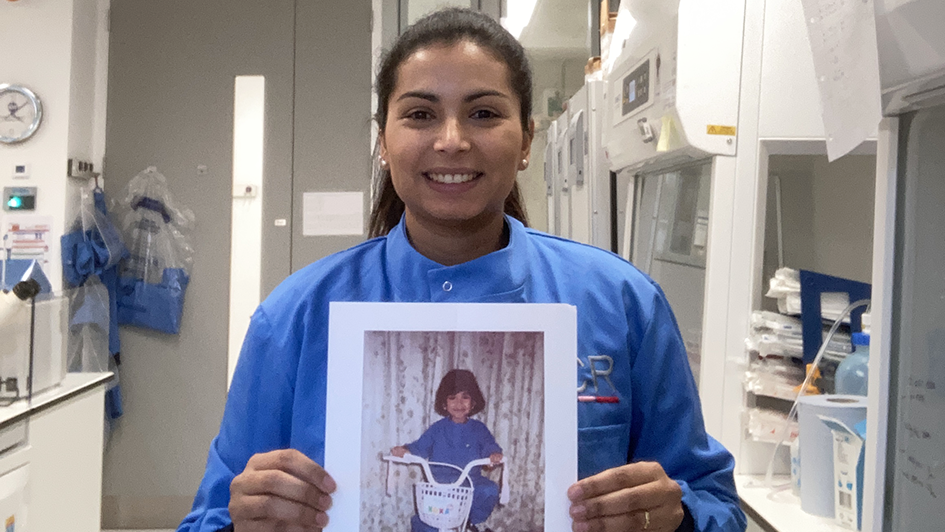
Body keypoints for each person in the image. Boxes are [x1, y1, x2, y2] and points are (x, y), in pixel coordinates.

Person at [178, 7, 746, 532]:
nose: (451, 141)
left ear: (526, 139)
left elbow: (715, 502)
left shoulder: (623, 304)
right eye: (420, 114)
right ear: (384, 141)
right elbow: (207, 517)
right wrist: (241, 521)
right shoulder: (295, 316)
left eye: (484, 113)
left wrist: (678, 518)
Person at [390, 368, 503, 532]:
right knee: (424, 522)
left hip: (471, 483)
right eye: (452, 398)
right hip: (439, 486)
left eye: (465, 397)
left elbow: (489, 445)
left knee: (489, 490)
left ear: (473, 403)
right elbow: (420, 447)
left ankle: (469, 522)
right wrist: (405, 450)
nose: (459, 403)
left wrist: (493, 456)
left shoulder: (479, 429)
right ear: (444, 403)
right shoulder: (437, 429)